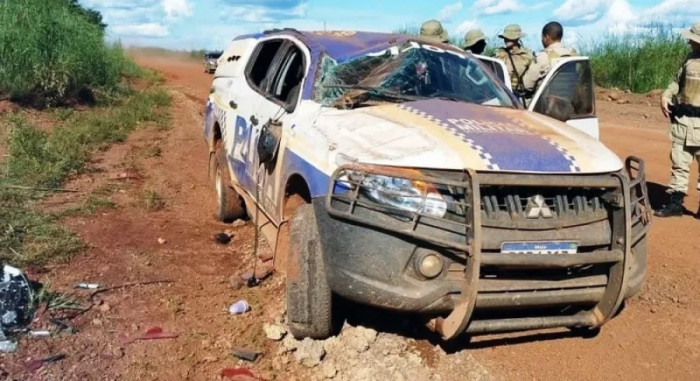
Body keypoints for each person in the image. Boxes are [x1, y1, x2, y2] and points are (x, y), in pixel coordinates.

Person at [655, 22, 700, 218]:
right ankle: (675, 204)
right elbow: (676, 81)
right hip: (683, 120)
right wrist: (666, 95)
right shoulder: (689, 59)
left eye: (693, 39)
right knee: (679, 162)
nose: (690, 42)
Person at [522, 21, 578, 92]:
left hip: (547, 101)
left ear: (546, 37)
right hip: (571, 100)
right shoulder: (574, 55)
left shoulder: (542, 57)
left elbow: (527, 85)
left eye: (542, 37)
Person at [494, 24, 533, 96]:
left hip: (521, 95)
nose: (506, 40)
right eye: (505, 38)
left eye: (510, 38)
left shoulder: (527, 55)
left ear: (517, 39)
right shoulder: (500, 53)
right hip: (503, 93)